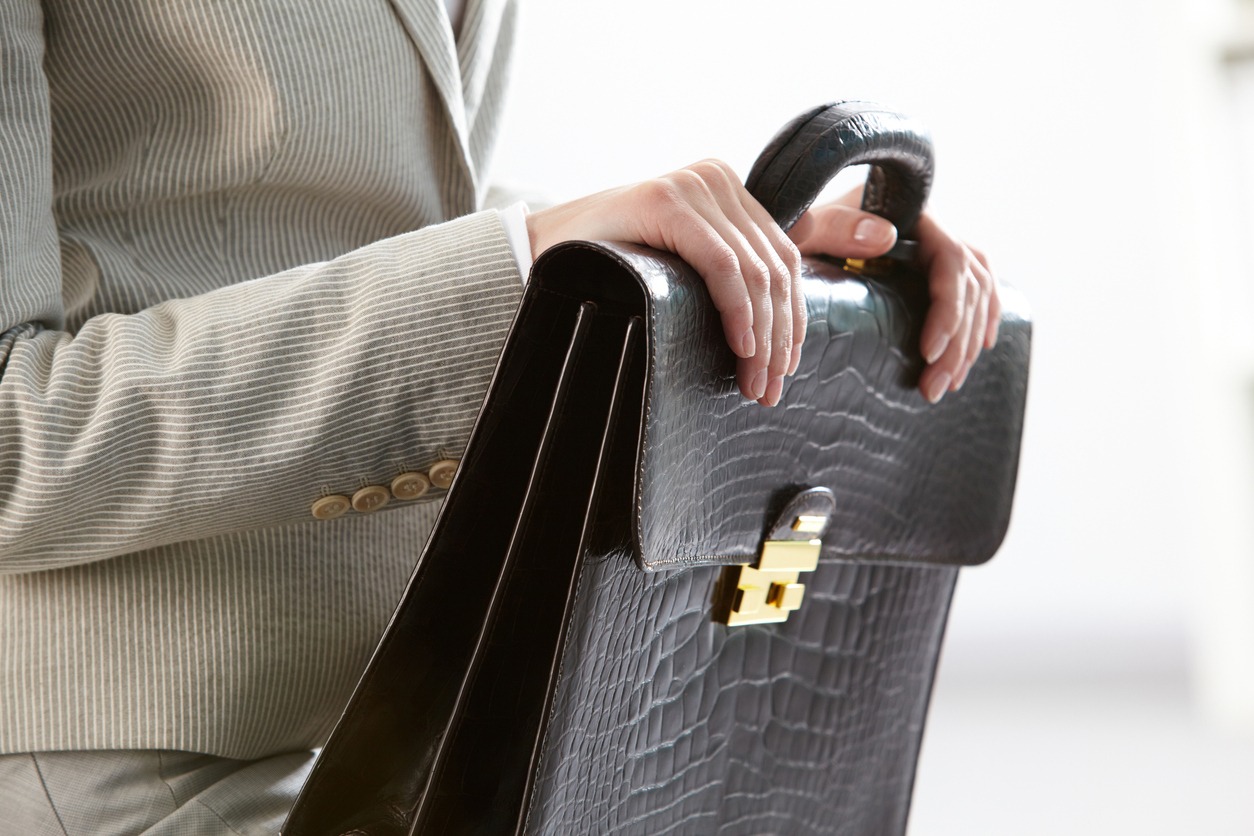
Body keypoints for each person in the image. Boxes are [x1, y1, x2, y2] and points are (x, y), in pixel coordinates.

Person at [0, 1, 998, 832]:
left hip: (419, 728)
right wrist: (525, 262)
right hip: (127, 763)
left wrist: (723, 260)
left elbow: (396, 211)